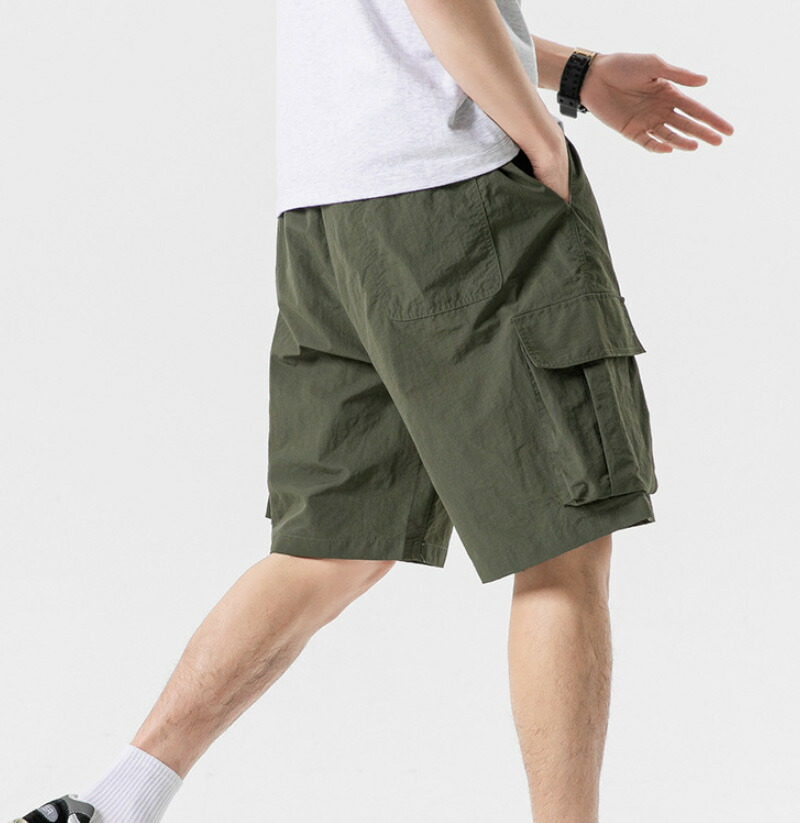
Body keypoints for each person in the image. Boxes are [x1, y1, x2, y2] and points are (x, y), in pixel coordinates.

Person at [10, 2, 734, 822]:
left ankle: (113, 803)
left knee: (330, 549)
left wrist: (572, 73)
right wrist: (538, 134)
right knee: (563, 539)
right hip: (455, 193)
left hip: (328, 215)